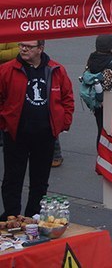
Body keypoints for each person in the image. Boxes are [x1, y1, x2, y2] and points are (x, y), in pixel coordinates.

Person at [0, 40, 74, 218]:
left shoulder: (56, 69)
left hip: (45, 135)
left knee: (40, 180)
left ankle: (33, 215)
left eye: (29, 47)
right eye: (22, 45)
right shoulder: (7, 70)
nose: (24, 49)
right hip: (16, 134)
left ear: (40, 49)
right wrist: (5, 124)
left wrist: (62, 123)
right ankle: (11, 215)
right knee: (12, 179)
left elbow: (67, 98)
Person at [84, 34, 112, 138]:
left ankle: (100, 152)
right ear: (111, 47)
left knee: (101, 130)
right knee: (111, 133)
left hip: (97, 102)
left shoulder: (91, 60)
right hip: (111, 104)